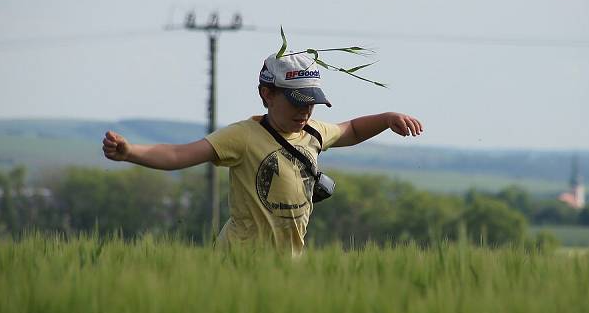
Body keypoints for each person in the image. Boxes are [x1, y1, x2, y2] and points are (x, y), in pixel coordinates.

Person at [102, 51, 423, 255]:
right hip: (238, 260)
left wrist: (386, 119)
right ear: (266, 94)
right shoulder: (242, 136)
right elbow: (178, 155)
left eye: (311, 103)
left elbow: (350, 129)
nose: (305, 111)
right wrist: (131, 151)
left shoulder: (312, 132)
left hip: (289, 264)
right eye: (297, 102)